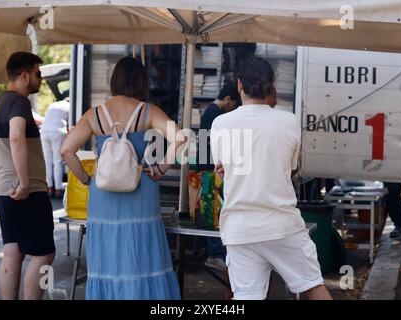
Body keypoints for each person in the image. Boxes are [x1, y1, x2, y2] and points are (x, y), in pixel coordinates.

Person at [60, 56, 185, 300]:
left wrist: (87, 179)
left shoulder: (94, 114)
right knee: (141, 257)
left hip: (103, 193)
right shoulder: (147, 111)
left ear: (115, 80)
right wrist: (160, 168)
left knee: (108, 259)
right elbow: (180, 137)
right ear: (141, 82)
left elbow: (66, 150)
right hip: (141, 190)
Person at [210, 56, 332, 300]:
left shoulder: (220, 123)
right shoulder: (289, 121)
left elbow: (223, 170)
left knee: (247, 297)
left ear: (239, 85)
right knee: (314, 287)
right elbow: (291, 170)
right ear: (270, 86)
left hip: (240, 227)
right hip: (280, 224)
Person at [0, 52, 55, 300]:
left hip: (1, 188)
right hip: (24, 191)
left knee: (13, 252)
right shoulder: (20, 103)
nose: (41, 79)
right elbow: (16, 137)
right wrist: (25, 184)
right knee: (44, 255)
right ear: (24, 75)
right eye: (39, 73)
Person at [198, 83, 239, 271]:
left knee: (212, 209)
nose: (234, 108)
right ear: (228, 99)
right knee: (213, 211)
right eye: (234, 104)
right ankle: (214, 254)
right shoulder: (215, 114)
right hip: (209, 168)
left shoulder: (210, 111)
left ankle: (214, 253)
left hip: (207, 166)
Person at [40, 98, 69, 199]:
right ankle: (58, 189)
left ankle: (49, 188)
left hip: (44, 132)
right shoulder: (68, 106)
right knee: (58, 161)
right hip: (57, 132)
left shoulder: (53, 105)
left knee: (47, 161)